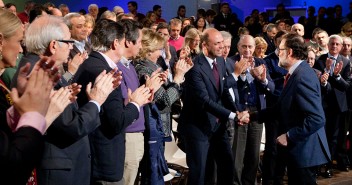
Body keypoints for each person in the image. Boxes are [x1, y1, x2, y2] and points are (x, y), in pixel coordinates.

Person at [73, 19, 152, 185]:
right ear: (116, 43)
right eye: (124, 41)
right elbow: (116, 122)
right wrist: (135, 104)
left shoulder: (90, 63)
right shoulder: (104, 72)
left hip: (94, 157)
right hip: (104, 160)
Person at [178, 28, 250, 185]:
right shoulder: (195, 67)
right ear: (205, 45)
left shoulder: (220, 62)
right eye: (217, 44)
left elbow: (223, 91)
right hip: (197, 127)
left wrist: (236, 110)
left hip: (217, 126)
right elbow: (204, 101)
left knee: (227, 166)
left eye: (222, 43)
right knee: (199, 174)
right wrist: (232, 116)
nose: (222, 47)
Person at [267, 32, 330, 184]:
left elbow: (317, 118)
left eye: (280, 50)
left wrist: (289, 136)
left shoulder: (302, 76)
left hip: (305, 151)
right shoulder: (297, 73)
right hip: (299, 151)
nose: (277, 54)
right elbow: (281, 107)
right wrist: (252, 116)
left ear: (289, 52)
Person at [116, 19, 163, 185]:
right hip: (128, 134)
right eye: (139, 42)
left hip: (137, 133)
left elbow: (137, 99)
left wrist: (148, 92)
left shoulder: (128, 65)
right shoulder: (117, 67)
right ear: (128, 42)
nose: (141, 47)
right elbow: (125, 103)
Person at [227, 35, 275, 185]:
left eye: (250, 47)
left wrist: (262, 80)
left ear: (255, 48)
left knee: (253, 155)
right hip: (239, 113)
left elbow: (271, 88)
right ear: (238, 47)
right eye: (244, 46)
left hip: (256, 114)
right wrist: (246, 76)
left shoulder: (261, 62)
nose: (247, 50)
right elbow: (229, 89)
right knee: (237, 155)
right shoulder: (230, 62)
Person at [314, 34, 351, 177]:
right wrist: (326, 73)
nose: (334, 46)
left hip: (338, 106)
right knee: (321, 135)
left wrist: (336, 76)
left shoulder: (345, 62)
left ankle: (328, 166)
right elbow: (317, 83)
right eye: (332, 43)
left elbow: (346, 86)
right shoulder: (320, 60)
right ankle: (318, 165)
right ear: (328, 45)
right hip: (322, 104)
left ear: (341, 47)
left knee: (334, 138)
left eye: (337, 44)